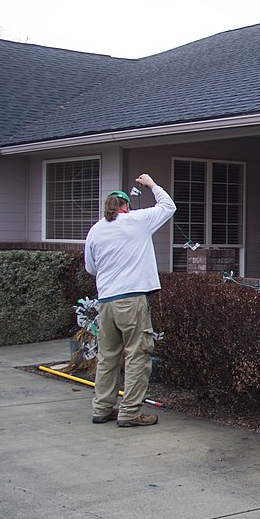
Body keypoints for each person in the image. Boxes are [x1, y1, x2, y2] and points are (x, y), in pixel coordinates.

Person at [84, 173, 176, 427]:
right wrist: (151, 184)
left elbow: (91, 268)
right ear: (126, 206)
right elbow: (168, 206)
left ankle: (102, 408)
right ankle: (130, 412)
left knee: (108, 356)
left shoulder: (95, 230)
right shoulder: (137, 220)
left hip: (106, 302)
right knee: (137, 355)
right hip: (132, 300)